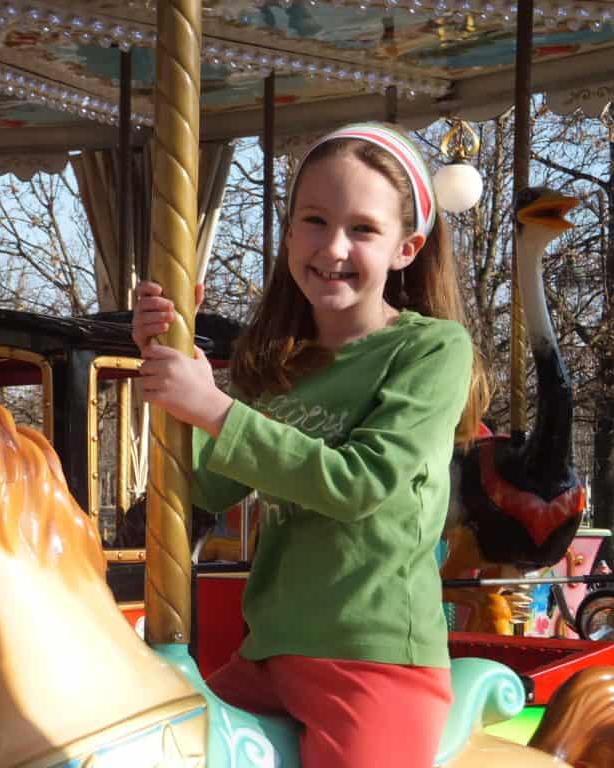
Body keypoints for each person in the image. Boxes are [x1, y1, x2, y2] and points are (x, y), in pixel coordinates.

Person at [132, 123, 488, 768]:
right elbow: (205, 490)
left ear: (406, 249)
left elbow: (360, 486)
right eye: (315, 221)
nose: (333, 246)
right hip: (266, 651)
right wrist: (174, 360)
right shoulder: (279, 362)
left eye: (363, 229)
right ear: (290, 231)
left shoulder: (429, 349)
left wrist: (215, 408)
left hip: (372, 658)